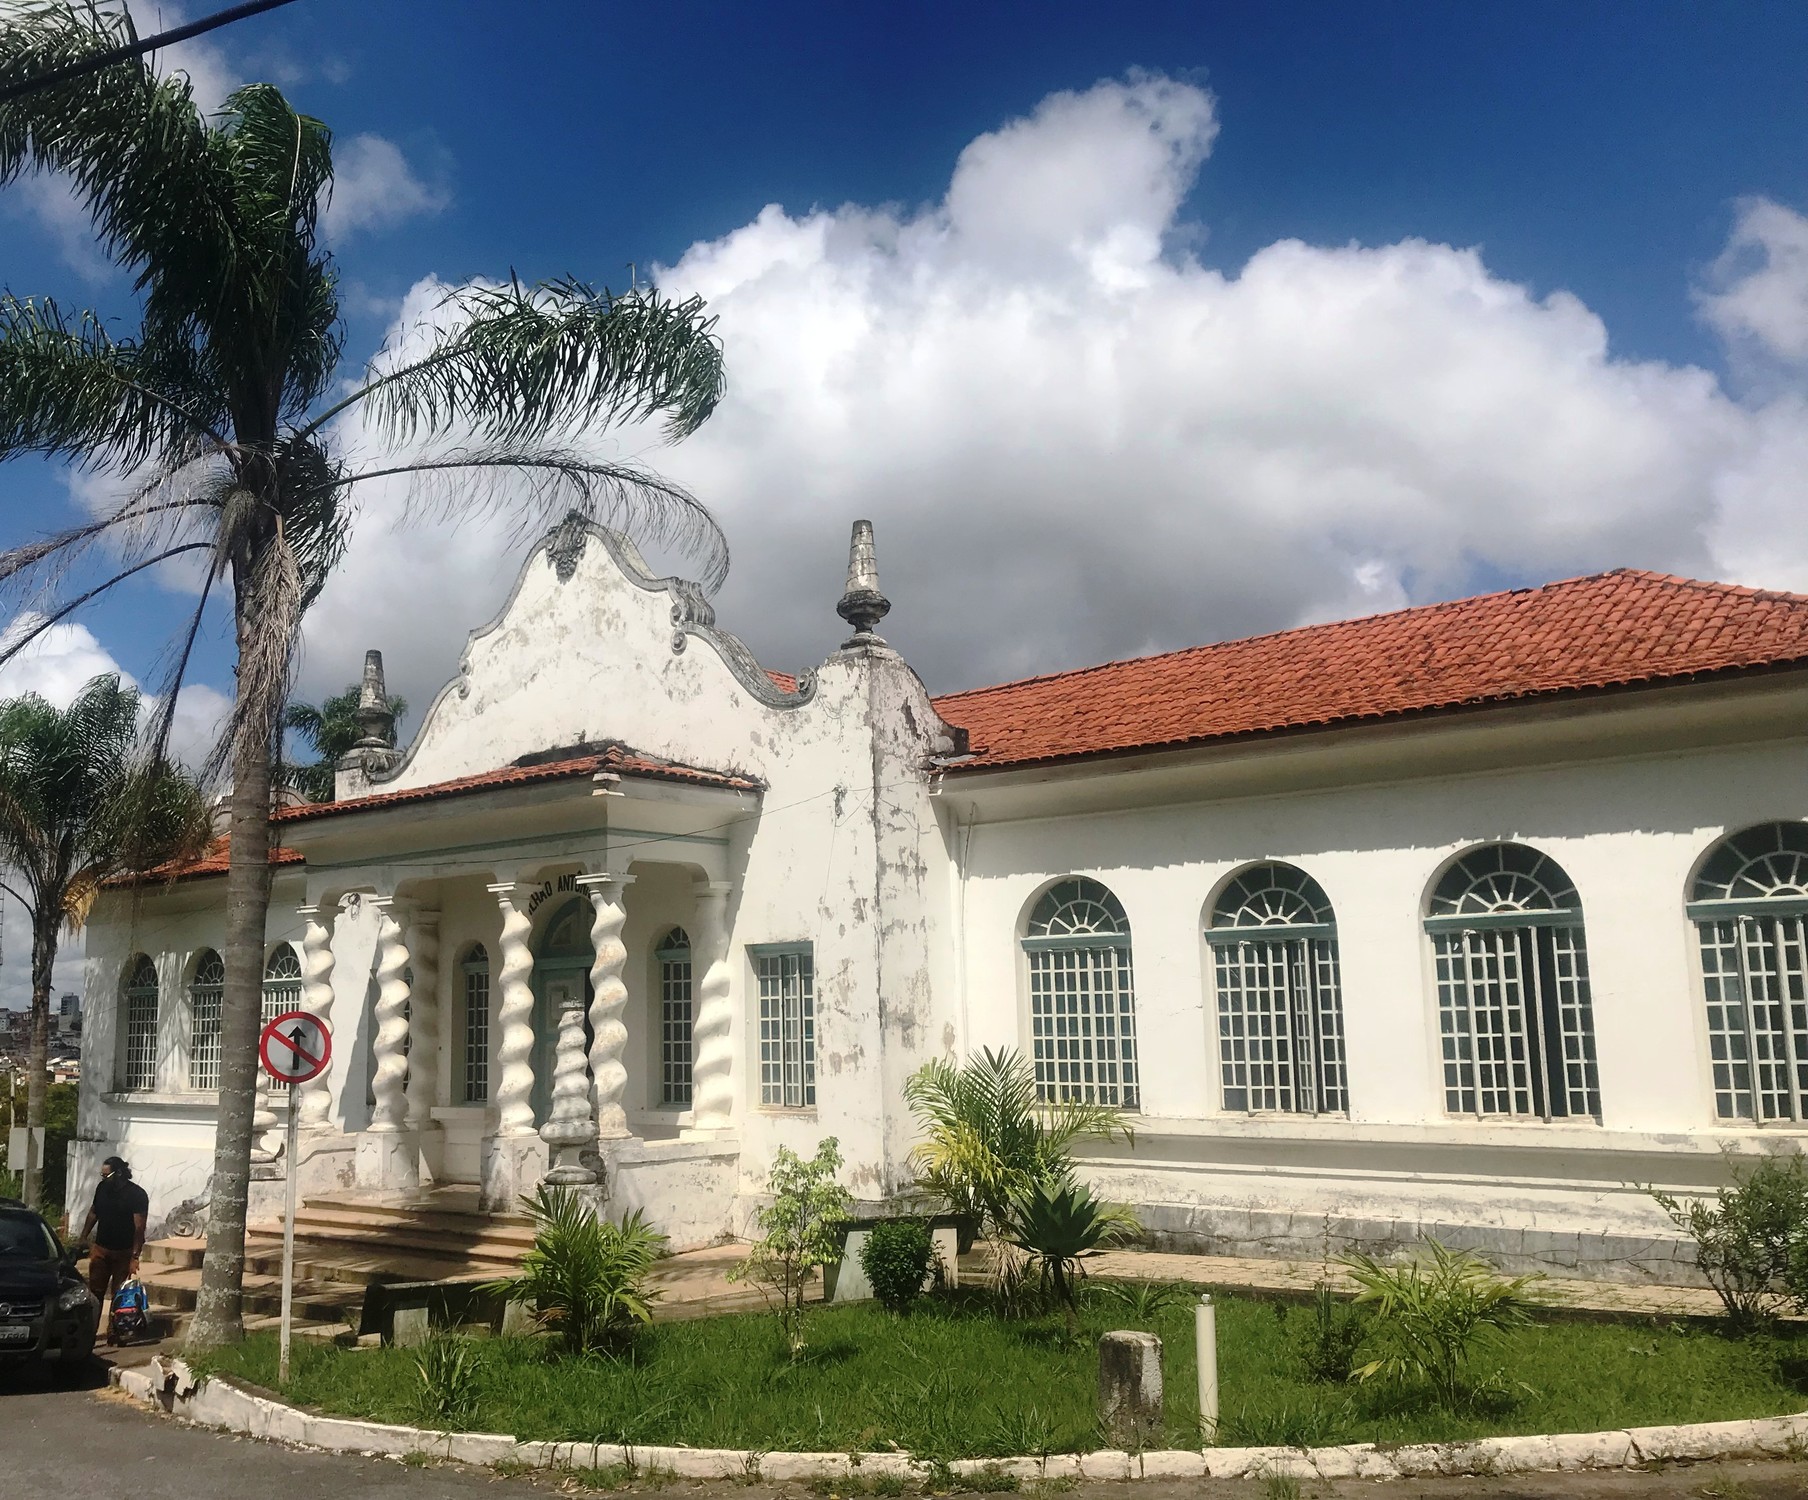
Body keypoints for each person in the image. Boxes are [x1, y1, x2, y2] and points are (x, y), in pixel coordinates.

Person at [80, 1155, 148, 1344]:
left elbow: (139, 1227)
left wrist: (135, 1256)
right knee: (95, 1293)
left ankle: (114, 1332)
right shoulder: (102, 1189)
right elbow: (94, 1212)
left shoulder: (137, 1195)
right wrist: (83, 1237)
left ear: (119, 1174)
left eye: (106, 1175)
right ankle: (90, 1334)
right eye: (101, 1176)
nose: (103, 1179)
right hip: (101, 1249)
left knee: (118, 1294)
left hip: (123, 1252)